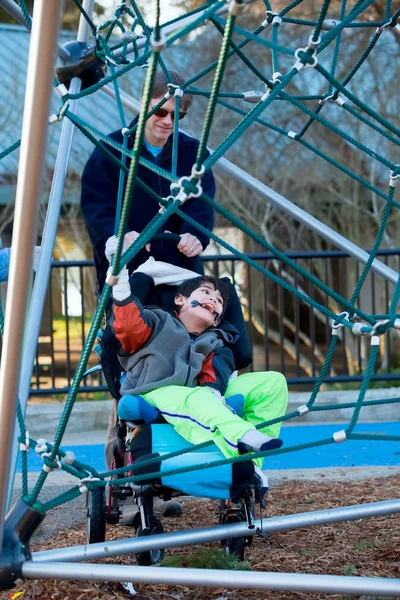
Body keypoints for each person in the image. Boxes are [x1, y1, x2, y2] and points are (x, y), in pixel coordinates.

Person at [109, 252, 288, 490]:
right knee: (199, 396)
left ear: (216, 320)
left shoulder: (215, 340)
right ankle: (243, 437)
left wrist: (213, 390)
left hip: (201, 393)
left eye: (219, 301)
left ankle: (250, 465)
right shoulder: (155, 322)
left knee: (273, 382)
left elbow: (216, 371)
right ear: (180, 300)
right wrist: (121, 286)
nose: (214, 299)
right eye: (205, 292)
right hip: (154, 390)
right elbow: (128, 327)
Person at [81, 69, 215, 295]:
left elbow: (201, 205)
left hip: (179, 274)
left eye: (176, 116)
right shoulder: (111, 149)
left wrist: (195, 234)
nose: (167, 121)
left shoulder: (193, 153)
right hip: (127, 274)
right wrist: (121, 233)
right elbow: (96, 206)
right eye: (160, 111)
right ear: (144, 103)